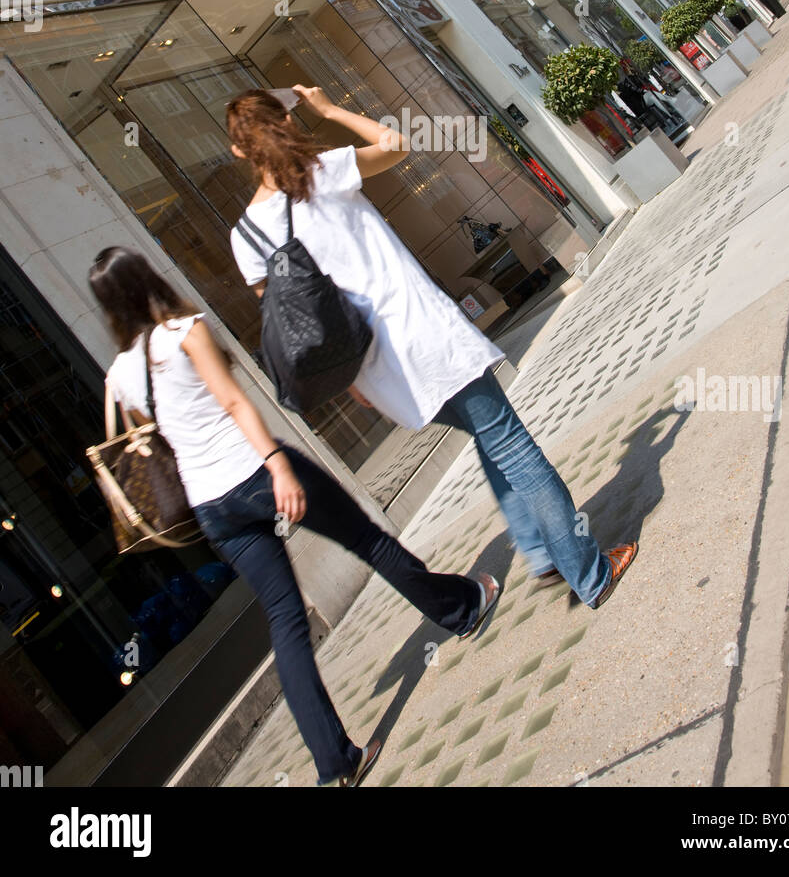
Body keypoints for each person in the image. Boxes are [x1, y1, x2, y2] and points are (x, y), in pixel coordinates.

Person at [89, 246, 500, 788]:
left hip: (213, 509)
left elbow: (159, 442)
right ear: (146, 280)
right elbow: (235, 403)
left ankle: (336, 762)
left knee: (285, 619)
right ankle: (461, 607)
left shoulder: (118, 377)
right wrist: (278, 464)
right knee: (368, 542)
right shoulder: (186, 332)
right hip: (255, 469)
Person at [226, 86, 638, 609]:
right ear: (285, 121)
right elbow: (396, 143)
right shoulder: (324, 172)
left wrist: (350, 379)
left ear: (240, 151)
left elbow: (290, 320)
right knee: (513, 446)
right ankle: (590, 573)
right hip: (426, 336)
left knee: (489, 437)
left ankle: (540, 552)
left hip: (376, 368)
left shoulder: (246, 236)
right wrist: (329, 109)